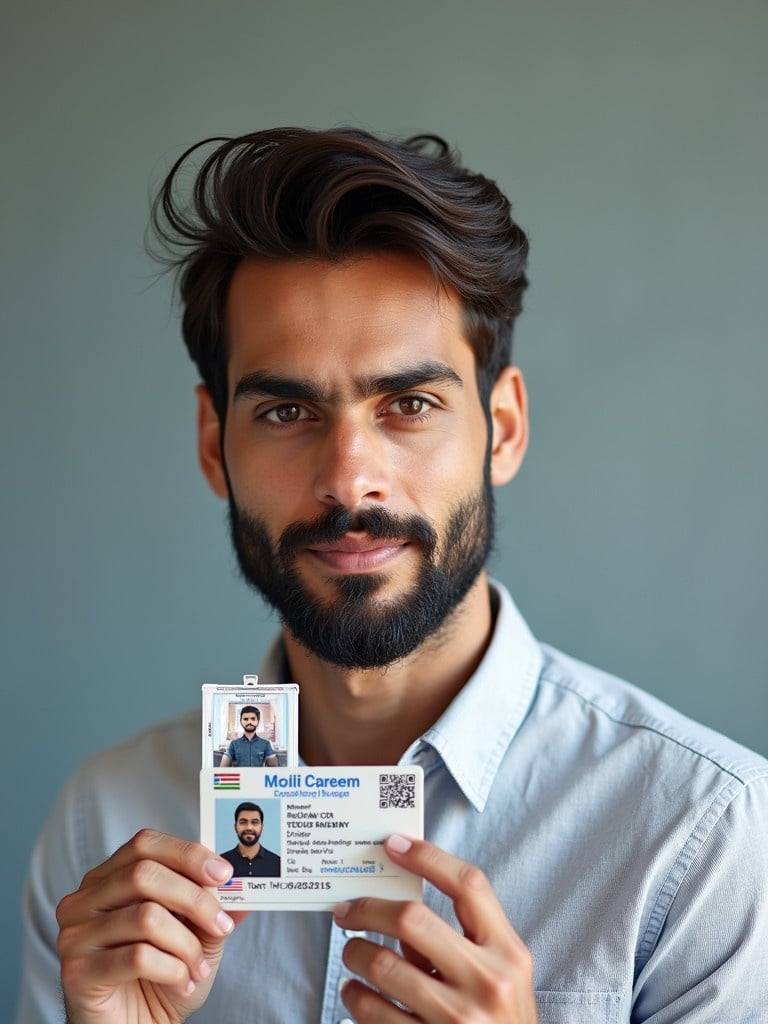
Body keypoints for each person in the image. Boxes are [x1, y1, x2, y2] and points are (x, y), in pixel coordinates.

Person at [19, 127, 768, 1024]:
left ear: (505, 428)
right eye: (288, 410)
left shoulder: (708, 835)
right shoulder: (106, 825)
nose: (348, 478)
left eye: (408, 405)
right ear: (214, 444)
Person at [219, 802, 281, 877]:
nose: (249, 827)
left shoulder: (278, 863)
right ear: (235, 827)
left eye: (254, 822)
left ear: (262, 827)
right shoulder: (221, 862)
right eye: (243, 822)